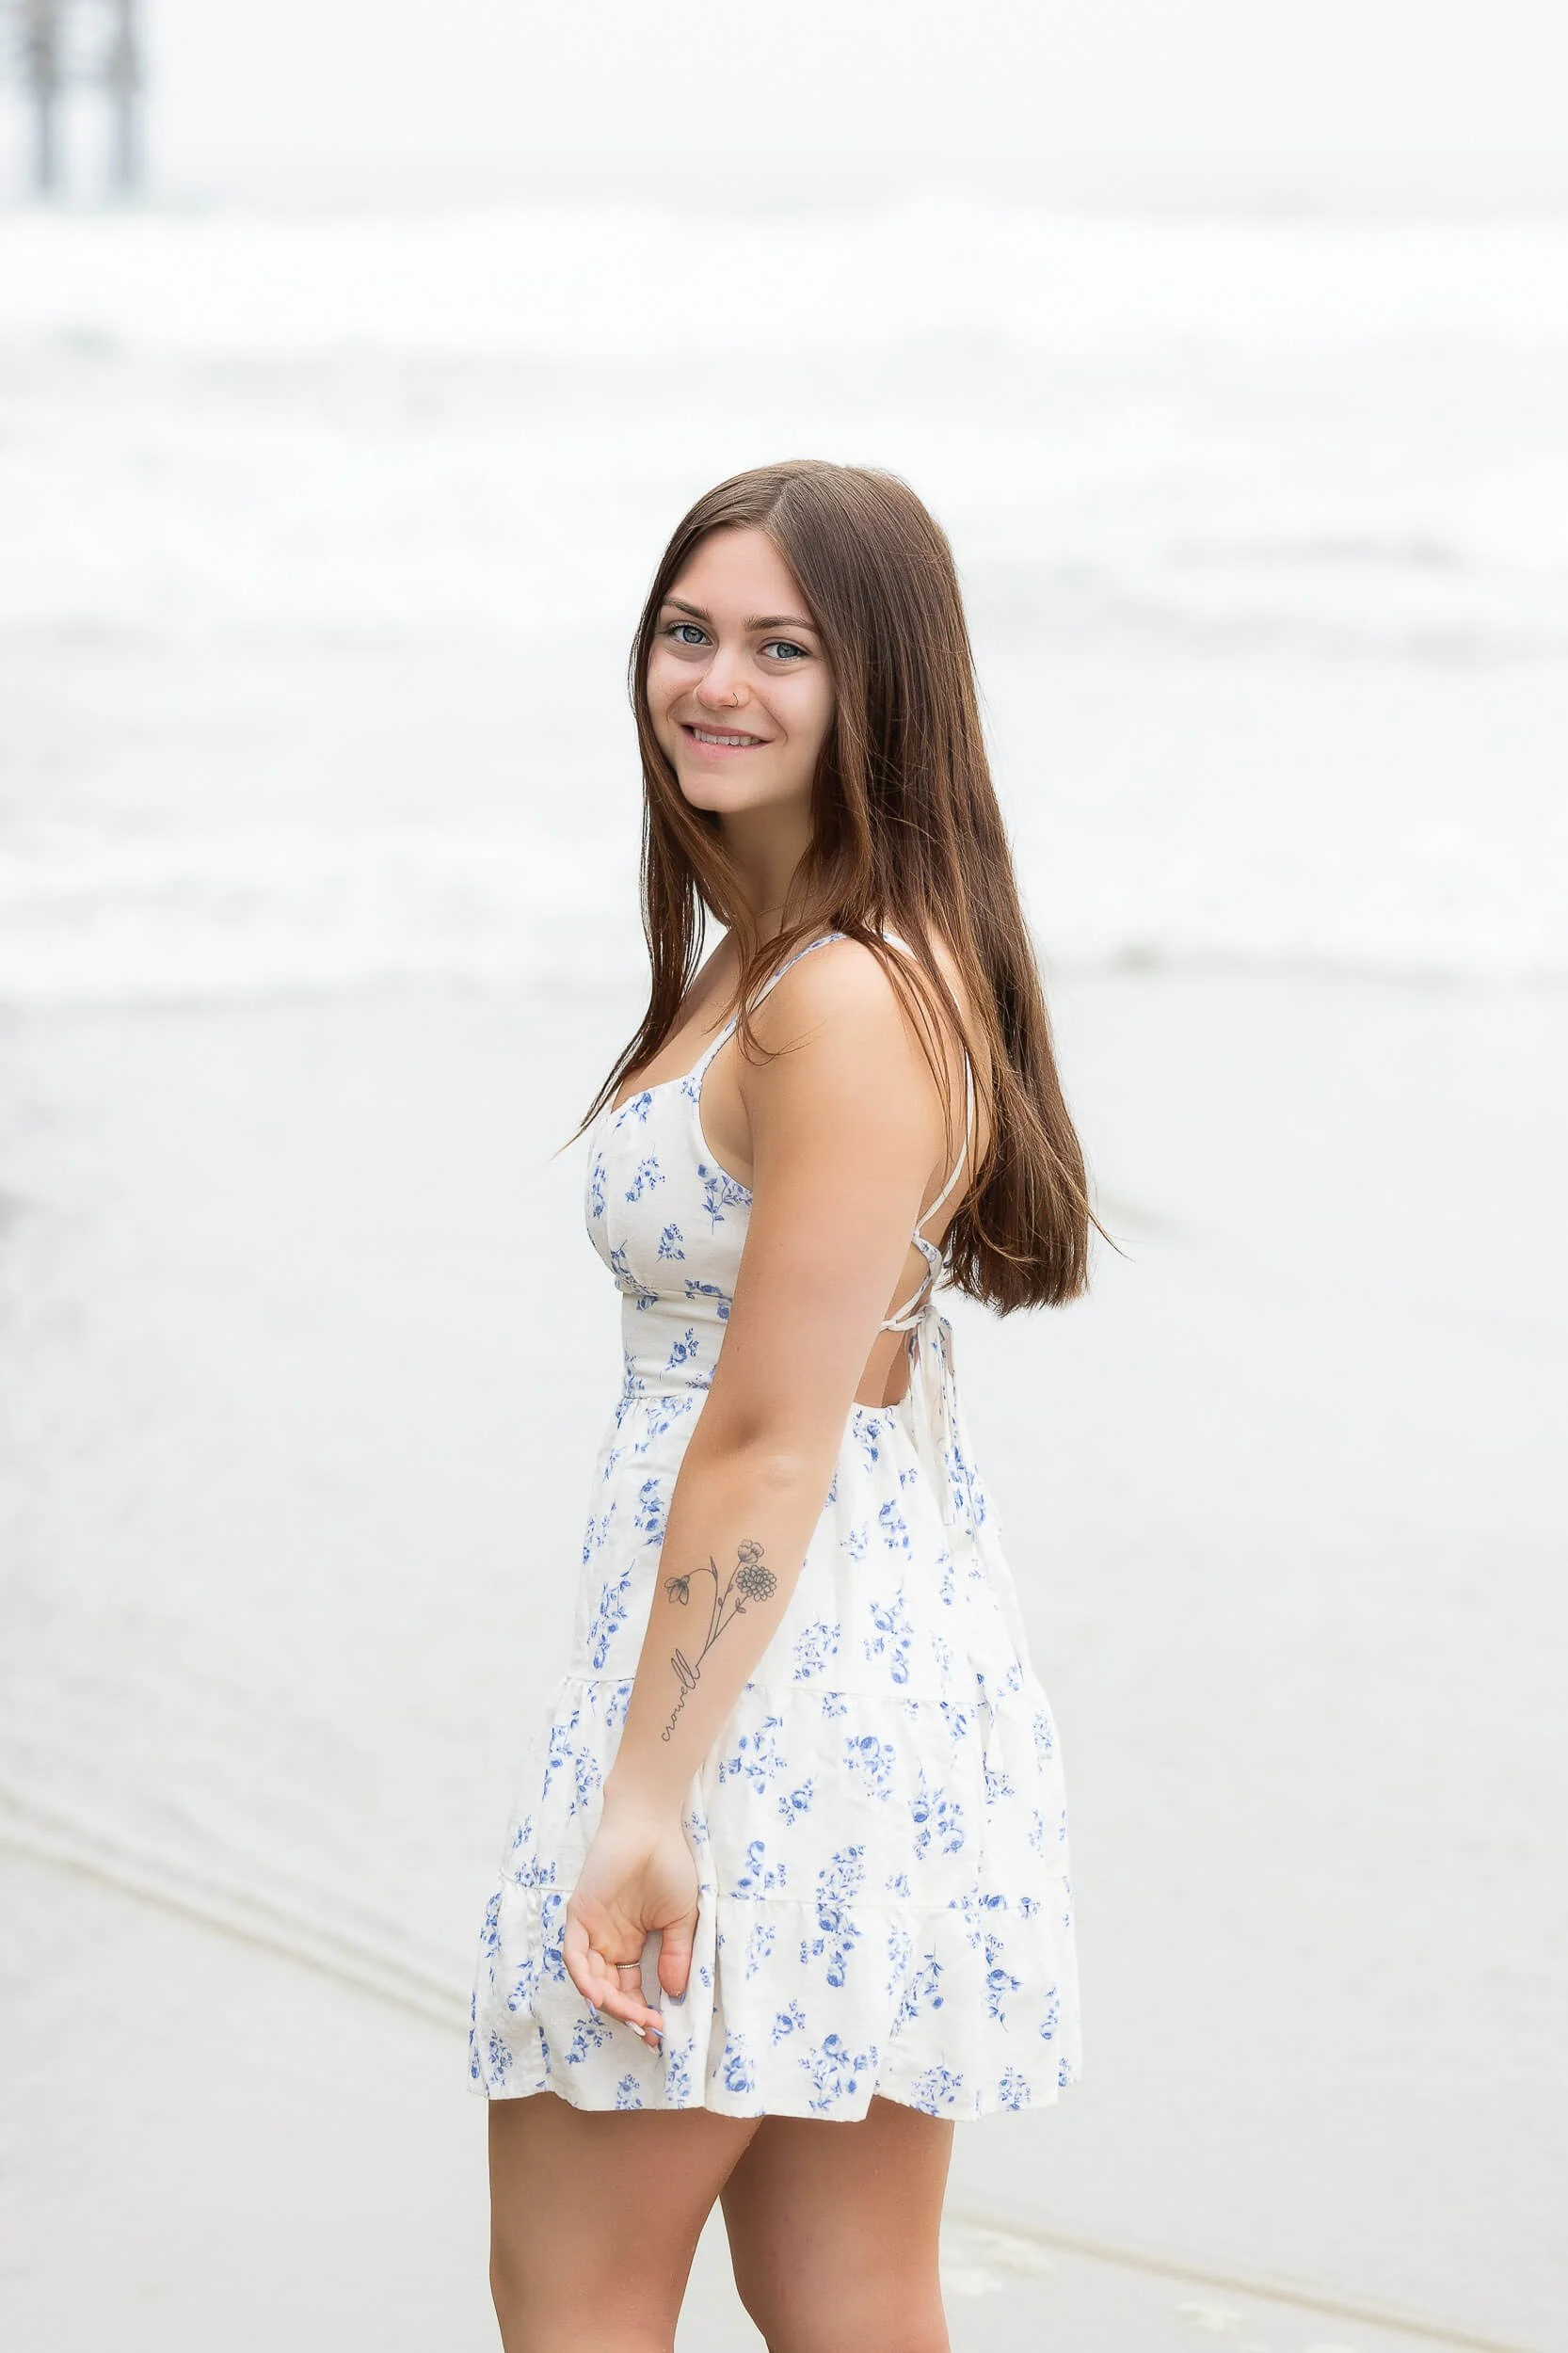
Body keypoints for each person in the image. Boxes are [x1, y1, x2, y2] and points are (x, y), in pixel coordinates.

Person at [468, 458, 1095, 2353]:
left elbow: (764, 1433)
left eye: (777, 648)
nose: (710, 682)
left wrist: (646, 1790)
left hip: (758, 1697)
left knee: (574, 2293)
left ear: (875, 688)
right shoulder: (805, 962)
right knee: (843, 2294)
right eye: (685, 630)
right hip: (862, 1670)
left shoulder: (834, 998)